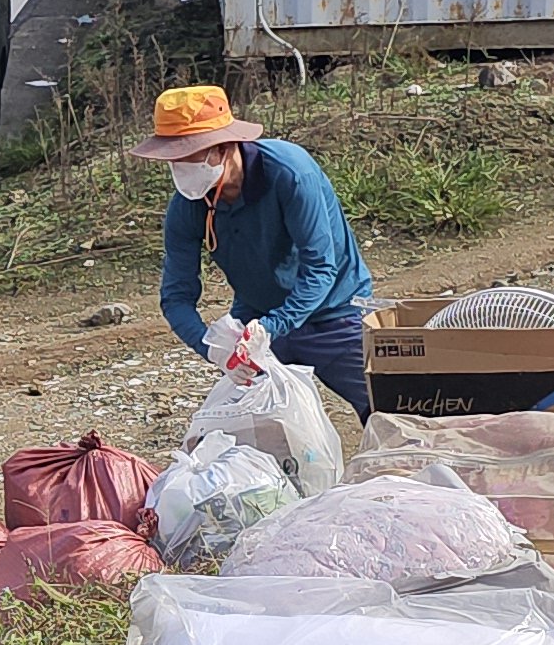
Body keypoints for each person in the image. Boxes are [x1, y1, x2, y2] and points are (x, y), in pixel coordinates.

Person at [135, 85, 378, 416]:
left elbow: (321, 268)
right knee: (247, 425)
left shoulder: (290, 173)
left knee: (387, 410)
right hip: (256, 317)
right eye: (173, 160)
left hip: (333, 310)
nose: (181, 168)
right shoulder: (188, 207)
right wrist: (213, 349)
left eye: (189, 156)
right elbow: (176, 297)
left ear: (223, 146)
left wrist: (271, 327)